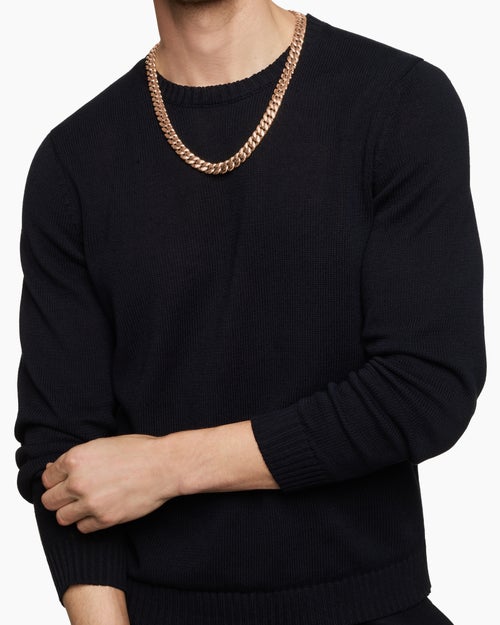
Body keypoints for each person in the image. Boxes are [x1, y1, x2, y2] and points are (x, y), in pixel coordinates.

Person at [14, 0, 487, 624]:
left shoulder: (399, 101)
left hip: (369, 606)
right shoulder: (74, 160)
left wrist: (167, 467)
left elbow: (425, 388)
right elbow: (62, 451)